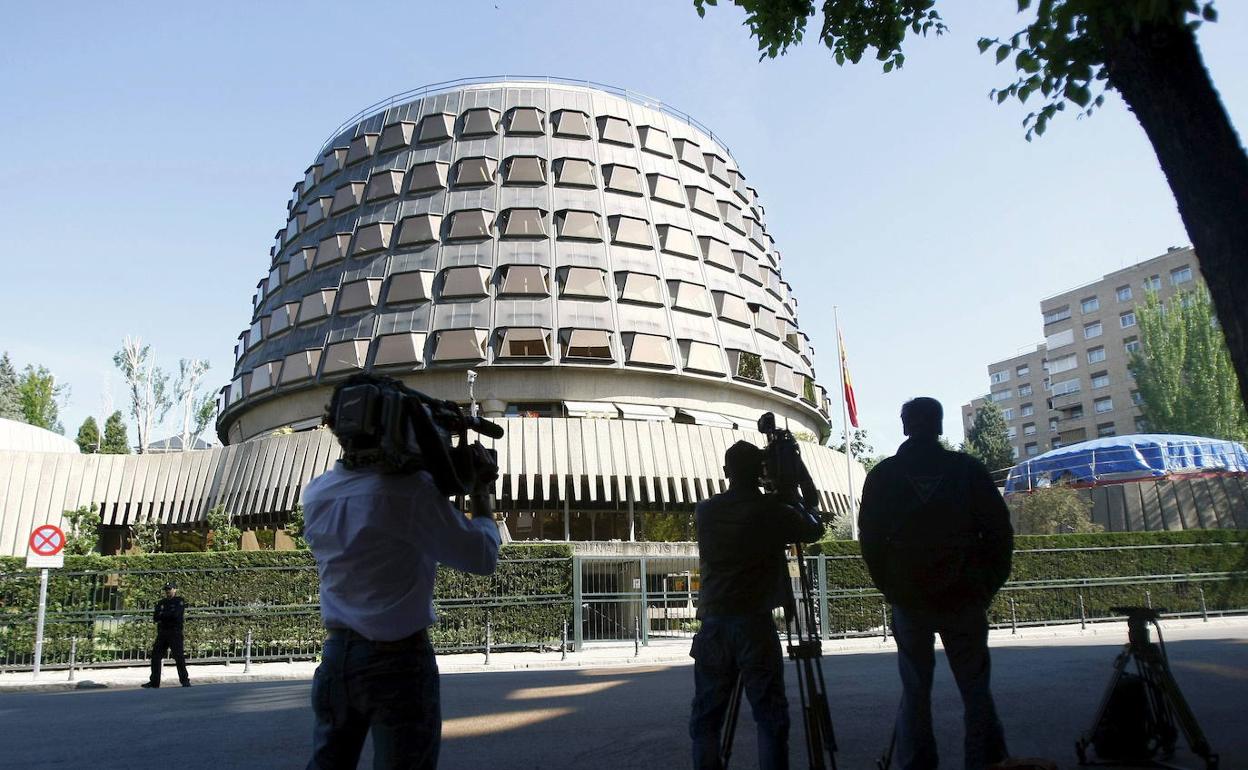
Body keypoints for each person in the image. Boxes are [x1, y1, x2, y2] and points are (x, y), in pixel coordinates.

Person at [303, 375, 502, 770]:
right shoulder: (406, 494)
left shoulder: (318, 492)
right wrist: (481, 494)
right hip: (397, 662)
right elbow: (482, 557)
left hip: (337, 657)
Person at [858, 397, 1014, 770]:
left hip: (910, 598)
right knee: (975, 689)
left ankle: (916, 764)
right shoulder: (968, 471)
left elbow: (871, 541)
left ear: (905, 426)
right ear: (940, 426)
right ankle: (987, 762)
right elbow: (999, 534)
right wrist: (985, 587)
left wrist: (892, 588)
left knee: (915, 691)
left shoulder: (884, 475)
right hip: (964, 596)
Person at [689, 440, 825, 770]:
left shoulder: (705, 511)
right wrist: (796, 483)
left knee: (706, 719)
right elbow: (814, 528)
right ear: (761, 472)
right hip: (754, 623)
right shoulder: (773, 512)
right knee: (770, 717)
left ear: (726, 472)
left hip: (714, 623)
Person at [142, 581, 190, 688]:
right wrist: (167, 615)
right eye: (166, 589)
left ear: (175, 589)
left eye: (170, 589)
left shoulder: (179, 601)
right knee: (155, 656)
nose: (168, 591)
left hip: (175, 632)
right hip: (163, 633)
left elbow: (176, 615)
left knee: (179, 657)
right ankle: (154, 682)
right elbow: (155, 617)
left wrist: (163, 615)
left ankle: (185, 680)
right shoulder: (161, 602)